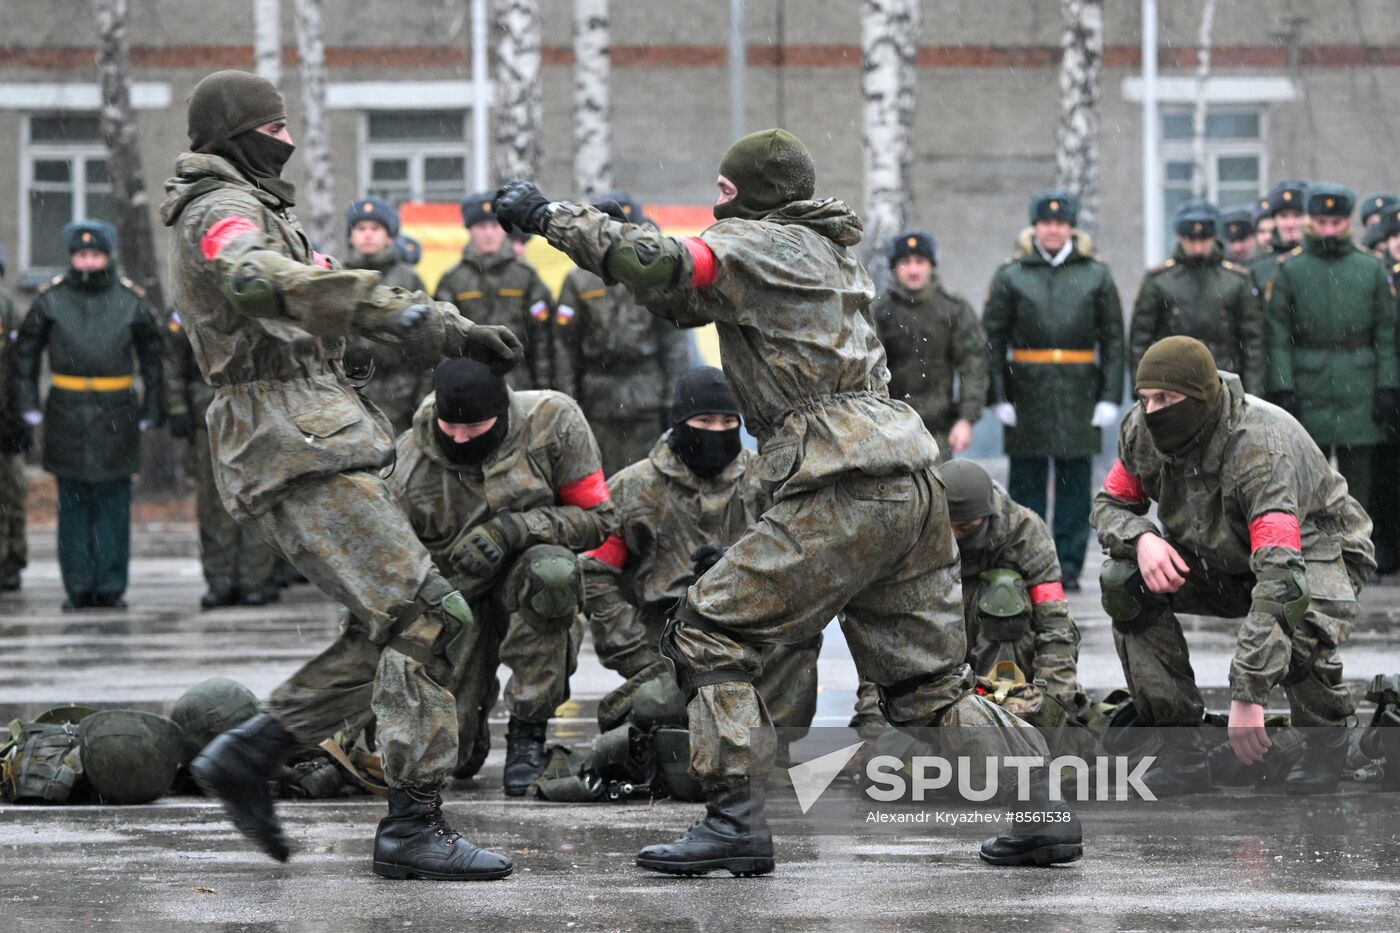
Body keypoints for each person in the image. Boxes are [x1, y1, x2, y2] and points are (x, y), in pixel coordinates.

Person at [494, 127, 1080, 875]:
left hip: (838, 478)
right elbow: (680, 289)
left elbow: (666, 261)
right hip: (907, 476)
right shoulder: (823, 251)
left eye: (727, 190)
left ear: (757, 196)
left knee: (708, 628)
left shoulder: (763, 244)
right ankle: (1043, 812)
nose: (717, 203)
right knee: (925, 685)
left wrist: (552, 218)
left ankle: (734, 818)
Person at [161, 70, 522, 881]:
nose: (285, 140)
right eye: (273, 126)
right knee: (431, 619)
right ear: (235, 135)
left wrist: (449, 328)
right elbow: (260, 277)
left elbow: (328, 283)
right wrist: (391, 313)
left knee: (393, 625)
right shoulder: (223, 213)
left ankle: (249, 755)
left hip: (318, 433)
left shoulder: (261, 206)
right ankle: (411, 825)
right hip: (292, 441)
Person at [1091, 336, 1372, 796]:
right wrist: (1140, 537)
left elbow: (1283, 579)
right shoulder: (1141, 432)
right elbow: (1110, 504)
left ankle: (1325, 738)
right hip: (1217, 556)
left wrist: (1247, 696)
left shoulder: (1260, 447)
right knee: (1123, 582)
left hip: (1318, 550)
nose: (1152, 410)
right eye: (1145, 399)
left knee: (1295, 621)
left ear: (1200, 397)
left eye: (1166, 399)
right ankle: (1184, 751)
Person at [388, 358, 614, 796]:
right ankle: (470, 719)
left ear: (503, 414)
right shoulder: (407, 465)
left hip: (529, 577)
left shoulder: (555, 423)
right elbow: (383, 566)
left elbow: (598, 519)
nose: (458, 438)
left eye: (473, 428)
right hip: (455, 600)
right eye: (449, 427)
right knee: (450, 759)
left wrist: (516, 529)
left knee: (553, 574)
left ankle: (527, 734)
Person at [583, 366, 819, 751]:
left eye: (728, 421)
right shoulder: (634, 488)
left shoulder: (765, 482)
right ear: (680, 422)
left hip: (752, 641)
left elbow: (803, 561)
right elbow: (595, 574)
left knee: (801, 634)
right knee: (653, 723)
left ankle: (773, 751)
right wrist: (634, 657)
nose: (716, 431)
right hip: (668, 652)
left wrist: (742, 566)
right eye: (704, 420)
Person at [850, 458, 1082, 739]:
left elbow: (1054, 624)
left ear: (987, 516)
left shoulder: (1024, 531)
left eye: (966, 527)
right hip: (935, 644)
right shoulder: (909, 532)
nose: (956, 536)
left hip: (1002, 656)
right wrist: (872, 727)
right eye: (949, 526)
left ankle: (999, 709)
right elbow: (883, 636)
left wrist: (1054, 709)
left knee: (1004, 593)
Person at [13, 221, 163, 611]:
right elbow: (25, 355)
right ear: (71, 256)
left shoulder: (129, 299)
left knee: (114, 502)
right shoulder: (52, 299)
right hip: (67, 411)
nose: (88, 261)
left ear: (108, 255)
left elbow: (153, 356)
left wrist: (153, 406)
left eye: (95, 254)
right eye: (81, 254)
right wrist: (27, 402)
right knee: (74, 504)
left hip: (116, 410)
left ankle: (111, 585)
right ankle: (78, 585)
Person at [983, 190, 1125, 591]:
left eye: (1061, 223)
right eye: (1046, 223)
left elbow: (1114, 339)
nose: (1053, 230)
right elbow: (992, 340)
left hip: (1079, 388)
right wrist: (998, 395)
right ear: (1035, 226)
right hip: (1028, 389)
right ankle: (1028, 560)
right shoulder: (1011, 275)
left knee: (1074, 486)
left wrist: (1110, 396)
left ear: (1071, 228)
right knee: (1026, 483)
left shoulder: (1096, 275)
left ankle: (1069, 564)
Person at [1265, 183, 1398, 513]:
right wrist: (1282, 388)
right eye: (1322, 222)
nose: (1328, 230)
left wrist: (1388, 386)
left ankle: (1359, 557)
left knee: (1359, 490)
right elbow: (1278, 335)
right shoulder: (1291, 269)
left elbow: (1385, 333)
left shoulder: (1370, 268)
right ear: (1311, 221)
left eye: (1335, 223)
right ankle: (1316, 556)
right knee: (1308, 484)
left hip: (1360, 383)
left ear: (1348, 222)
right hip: (1309, 383)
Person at [553, 193, 691, 474]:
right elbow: (565, 347)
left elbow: (673, 343)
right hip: (597, 398)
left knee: (649, 476)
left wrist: (673, 402)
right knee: (598, 477)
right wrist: (567, 400)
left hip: (646, 395)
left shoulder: (654, 274)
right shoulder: (578, 280)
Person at [164, 310, 280, 608]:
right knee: (215, 503)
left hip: (259, 412)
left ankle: (254, 578)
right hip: (210, 414)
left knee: (259, 497)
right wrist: (177, 407)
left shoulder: (258, 298)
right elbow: (174, 365)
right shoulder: (190, 306)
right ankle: (220, 579)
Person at [870, 231, 987, 460]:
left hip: (939, 429)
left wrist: (966, 419)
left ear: (931, 265)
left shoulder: (953, 309)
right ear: (895, 267)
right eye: (905, 262)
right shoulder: (880, 311)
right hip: (890, 427)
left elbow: (973, 364)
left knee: (938, 490)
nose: (913, 270)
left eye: (920, 262)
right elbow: (869, 370)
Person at [1129, 200, 1264, 394]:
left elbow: (1253, 343)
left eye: (1204, 240)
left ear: (1214, 237)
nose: (1198, 248)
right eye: (1191, 240)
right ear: (1180, 238)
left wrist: (1252, 394)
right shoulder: (1159, 281)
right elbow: (1140, 340)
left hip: (1225, 377)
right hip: (1172, 380)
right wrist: (1141, 388)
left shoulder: (1237, 280)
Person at [435, 193, 553, 390]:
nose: (489, 233)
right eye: (481, 227)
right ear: (470, 230)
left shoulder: (525, 276)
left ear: (505, 230)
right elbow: (443, 336)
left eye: (495, 226)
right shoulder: (453, 279)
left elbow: (542, 338)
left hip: (519, 380)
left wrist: (543, 385)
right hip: (468, 381)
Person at [342, 198, 432, 435]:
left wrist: (422, 398)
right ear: (351, 236)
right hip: (352, 392)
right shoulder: (339, 278)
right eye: (361, 229)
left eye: (375, 229)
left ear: (390, 236)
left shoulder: (408, 279)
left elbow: (428, 342)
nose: (368, 235)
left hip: (402, 395)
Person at [0, 243, 27, 592]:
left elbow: (19, 365)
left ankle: (10, 560)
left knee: (10, 490)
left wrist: (18, 414)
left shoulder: (8, 307)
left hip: (4, 414)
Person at [1249, 180, 1307, 295]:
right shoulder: (1260, 268)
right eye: (1283, 216)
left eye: (1297, 215)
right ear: (1274, 219)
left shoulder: (1327, 260)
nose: (1290, 224)